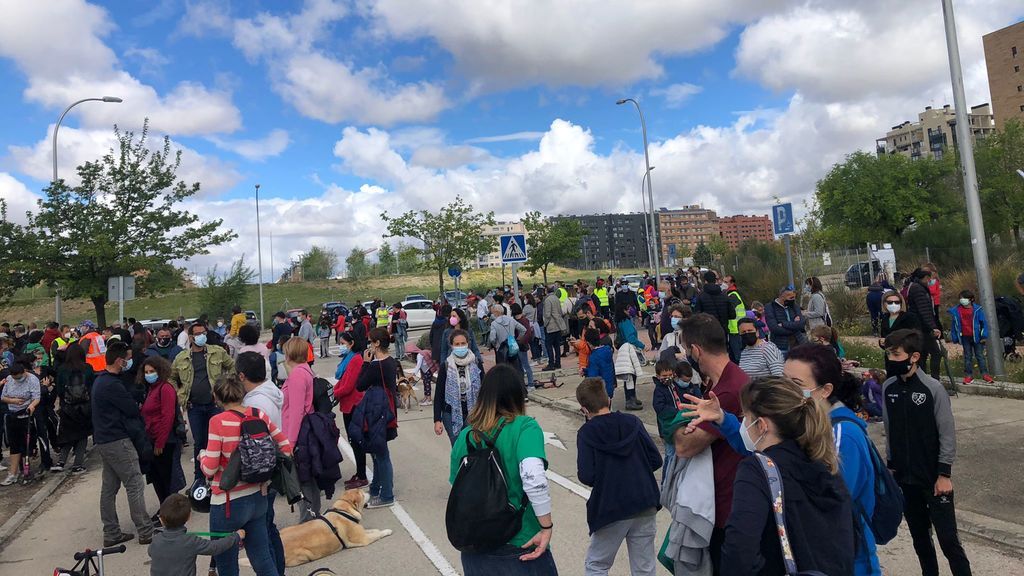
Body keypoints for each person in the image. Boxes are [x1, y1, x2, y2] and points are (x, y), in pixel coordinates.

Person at [719, 376, 855, 575]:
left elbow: (740, 547)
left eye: (745, 418)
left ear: (762, 425)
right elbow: (850, 533)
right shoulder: (822, 461)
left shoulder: (756, 469)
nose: (743, 424)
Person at [785, 344, 883, 575]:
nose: (785, 390)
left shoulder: (843, 435)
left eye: (795, 385)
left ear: (824, 390)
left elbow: (827, 500)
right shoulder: (804, 423)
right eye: (782, 380)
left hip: (846, 560)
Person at [450, 364, 557, 575]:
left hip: (475, 547)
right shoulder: (524, 427)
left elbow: (457, 486)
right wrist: (546, 527)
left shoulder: (466, 436)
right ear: (518, 395)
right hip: (520, 541)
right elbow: (533, 478)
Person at [882, 329, 971, 576]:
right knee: (921, 541)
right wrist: (891, 467)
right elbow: (890, 431)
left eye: (896, 354)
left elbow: (947, 433)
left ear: (914, 356)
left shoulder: (933, 388)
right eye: (889, 354)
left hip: (934, 479)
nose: (891, 359)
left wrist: (944, 473)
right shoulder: (888, 387)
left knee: (949, 542)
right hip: (906, 480)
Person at [672, 313, 750, 571]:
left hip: (725, 508)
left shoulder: (727, 391)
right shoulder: (726, 380)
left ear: (696, 350)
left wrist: (676, 425)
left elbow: (685, 446)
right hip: (721, 500)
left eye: (686, 350)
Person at [200, 375, 292, 576]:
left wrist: (202, 456)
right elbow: (285, 447)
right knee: (262, 559)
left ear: (216, 396)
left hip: (227, 502)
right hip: (258, 496)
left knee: (226, 565)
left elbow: (210, 468)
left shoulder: (217, 422)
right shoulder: (258, 414)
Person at [576, 377, 662, 576]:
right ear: (608, 400)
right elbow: (656, 460)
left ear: (584, 409)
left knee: (597, 564)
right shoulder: (633, 422)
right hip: (644, 500)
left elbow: (587, 475)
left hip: (611, 505)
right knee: (644, 567)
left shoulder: (587, 433)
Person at [91, 342, 154, 546]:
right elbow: (131, 409)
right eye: (127, 358)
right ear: (119, 360)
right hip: (117, 440)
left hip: (103, 439)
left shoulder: (101, 380)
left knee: (109, 487)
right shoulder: (111, 384)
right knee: (134, 482)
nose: (129, 361)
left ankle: (111, 532)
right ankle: (145, 530)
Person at [171, 322, 235, 481]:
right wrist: (179, 394)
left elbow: (233, 367)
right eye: (198, 334)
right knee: (199, 443)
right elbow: (171, 377)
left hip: (215, 405)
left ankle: (222, 477)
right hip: (194, 407)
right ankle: (199, 480)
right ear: (191, 337)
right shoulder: (181, 357)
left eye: (203, 333)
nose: (202, 336)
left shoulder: (217, 352)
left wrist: (226, 387)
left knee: (219, 442)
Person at [355, 327, 399, 508]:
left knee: (381, 454)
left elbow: (360, 385)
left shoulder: (375, 366)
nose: (369, 345)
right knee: (379, 452)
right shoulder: (391, 362)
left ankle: (387, 494)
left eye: (371, 341)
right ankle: (376, 487)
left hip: (375, 413)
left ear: (377, 344)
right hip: (388, 411)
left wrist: (365, 363)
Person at [148, 493, 243, 576]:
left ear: (161, 519)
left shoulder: (156, 540)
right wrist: (236, 536)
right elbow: (215, 547)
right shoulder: (190, 541)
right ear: (189, 517)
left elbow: (151, 552)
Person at [139, 355, 183, 519]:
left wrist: (160, 443)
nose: (149, 374)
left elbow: (168, 416)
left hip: (165, 441)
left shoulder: (166, 389)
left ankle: (173, 513)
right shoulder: (151, 389)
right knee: (157, 478)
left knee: (168, 479)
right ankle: (164, 509)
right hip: (152, 439)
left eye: (152, 371)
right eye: (146, 372)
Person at [281, 337, 318, 521]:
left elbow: (296, 411)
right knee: (308, 480)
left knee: (302, 481)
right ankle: (313, 517)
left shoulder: (296, 375)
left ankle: (308, 520)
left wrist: (290, 443)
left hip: (297, 433)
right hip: (306, 430)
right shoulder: (306, 371)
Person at [434, 329, 483, 444]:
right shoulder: (446, 366)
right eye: (457, 344)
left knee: (475, 447)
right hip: (451, 414)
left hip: (474, 413)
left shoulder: (476, 363)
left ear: (468, 344)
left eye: (463, 343)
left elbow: (485, 390)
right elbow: (439, 395)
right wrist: (437, 420)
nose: (460, 346)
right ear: (451, 346)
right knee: (457, 448)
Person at [333, 332, 368, 490]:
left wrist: (333, 394)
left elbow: (348, 386)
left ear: (351, 343)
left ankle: (362, 475)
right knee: (354, 441)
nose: (341, 346)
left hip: (354, 405)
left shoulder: (355, 360)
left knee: (356, 441)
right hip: (347, 404)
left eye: (342, 343)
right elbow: (342, 381)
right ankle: (359, 473)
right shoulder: (348, 360)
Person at [53, 343, 94, 473]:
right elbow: (91, 386)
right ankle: (77, 464)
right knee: (82, 436)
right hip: (85, 407)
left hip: (67, 407)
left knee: (68, 435)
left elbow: (59, 389)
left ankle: (61, 461)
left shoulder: (62, 369)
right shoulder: (87, 368)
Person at [0, 360, 41, 486]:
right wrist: (13, 401)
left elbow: (36, 397)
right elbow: (3, 396)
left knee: (26, 444)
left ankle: (26, 471)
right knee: (14, 445)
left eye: (18, 377)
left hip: (26, 413)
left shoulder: (32, 379)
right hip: (12, 413)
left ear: (24, 372)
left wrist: (32, 406)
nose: (17, 380)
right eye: (14, 378)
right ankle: (12, 473)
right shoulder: (9, 379)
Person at [948, 290, 993, 384]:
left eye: (964, 298)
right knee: (967, 356)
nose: (962, 300)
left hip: (977, 337)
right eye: (960, 298)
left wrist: (984, 335)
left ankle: (985, 374)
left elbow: (983, 323)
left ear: (971, 299)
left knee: (980, 356)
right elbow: (954, 325)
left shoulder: (977, 310)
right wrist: (955, 337)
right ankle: (968, 375)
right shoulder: (957, 311)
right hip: (965, 337)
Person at [907, 268, 942, 380]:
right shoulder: (918, 289)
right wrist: (933, 327)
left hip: (919, 327)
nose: (930, 281)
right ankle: (933, 380)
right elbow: (924, 310)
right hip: (922, 328)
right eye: (929, 279)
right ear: (925, 278)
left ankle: (923, 379)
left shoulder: (915, 287)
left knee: (922, 355)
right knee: (935, 353)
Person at [764, 286, 807, 358]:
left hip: (798, 344)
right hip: (781, 347)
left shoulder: (794, 306)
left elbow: (802, 324)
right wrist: (795, 326)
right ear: (782, 296)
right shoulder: (770, 307)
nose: (793, 300)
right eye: (791, 298)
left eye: (794, 297)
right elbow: (774, 328)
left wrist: (784, 324)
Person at [613, 324, 645, 411]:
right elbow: (631, 338)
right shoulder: (625, 322)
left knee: (630, 376)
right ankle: (630, 400)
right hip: (628, 350)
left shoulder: (620, 322)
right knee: (630, 376)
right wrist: (642, 345)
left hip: (624, 349)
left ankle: (632, 397)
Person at [488, 304, 527, 375]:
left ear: (496, 312)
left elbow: (492, 338)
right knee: (516, 368)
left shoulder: (494, 324)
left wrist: (496, 345)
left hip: (501, 349)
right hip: (513, 346)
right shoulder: (511, 320)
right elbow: (523, 330)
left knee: (503, 371)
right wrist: (517, 339)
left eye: (493, 312)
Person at [511, 303, 536, 391]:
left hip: (521, 345)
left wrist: (520, 341)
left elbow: (528, 333)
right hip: (519, 345)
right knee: (521, 366)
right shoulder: (517, 320)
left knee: (525, 365)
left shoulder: (523, 320)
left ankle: (531, 384)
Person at [584, 328, 615, 400]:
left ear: (588, 343)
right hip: (609, 387)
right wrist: (586, 370)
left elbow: (593, 377)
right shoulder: (607, 350)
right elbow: (602, 367)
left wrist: (586, 372)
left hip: (599, 392)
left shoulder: (594, 357)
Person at [542, 285, 568, 371]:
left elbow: (547, 314)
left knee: (548, 345)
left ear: (546, 291)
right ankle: (558, 363)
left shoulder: (547, 300)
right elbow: (560, 311)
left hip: (551, 326)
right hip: (558, 325)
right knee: (556, 345)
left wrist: (545, 324)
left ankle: (551, 364)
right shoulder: (556, 298)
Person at [722, 274, 747, 363]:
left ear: (732, 283)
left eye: (726, 282)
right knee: (733, 356)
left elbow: (728, 310)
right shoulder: (730, 294)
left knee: (738, 357)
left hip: (736, 330)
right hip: (733, 329)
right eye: (723, 281)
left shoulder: (733, 295)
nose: (723, 284)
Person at [269, 312, 293, 383]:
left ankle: (275, 380)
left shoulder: (277, 327)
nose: (275, 319)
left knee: (276, 365)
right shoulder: (288, 326)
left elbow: (275, 339)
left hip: (279, 349)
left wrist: (272, 349)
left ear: (279, 317)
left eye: (276, 317)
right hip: (289, 346)